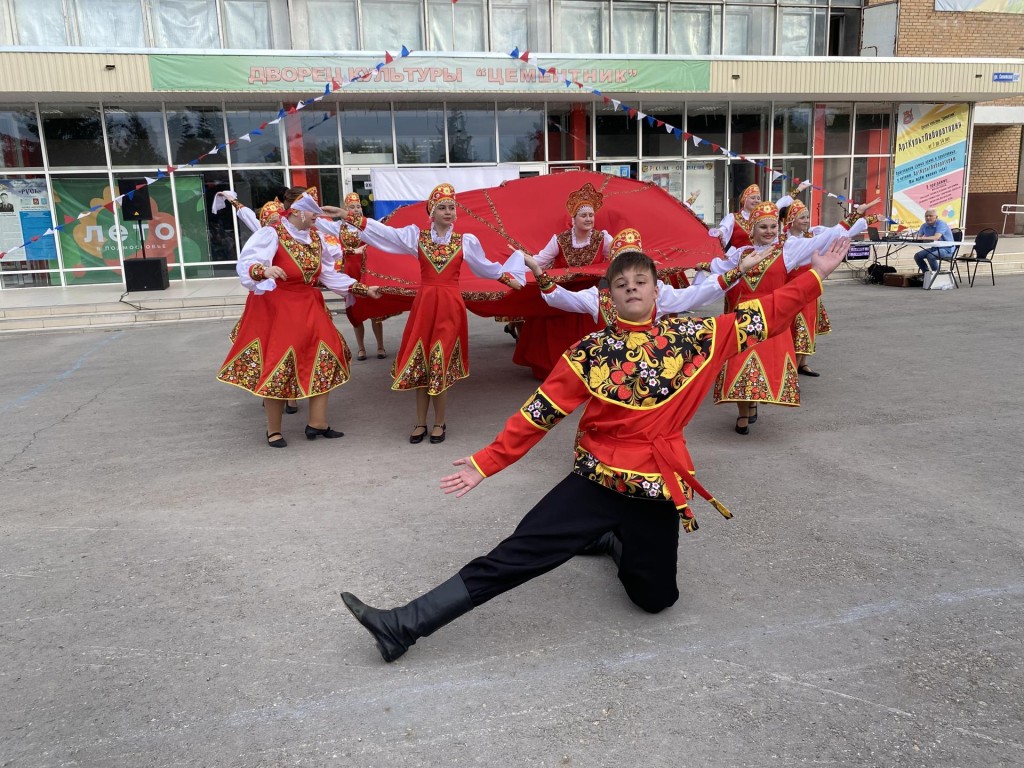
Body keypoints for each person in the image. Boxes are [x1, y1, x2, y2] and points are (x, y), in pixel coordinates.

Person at [339, 238, 853, 663]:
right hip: (596, 481)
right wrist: (486, 462)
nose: (632, 290)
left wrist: (813, 276)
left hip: (656, 488)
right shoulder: (588, 352)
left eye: (642, 282)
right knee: (515, 556)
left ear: (657, 289)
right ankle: (403, 625)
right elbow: (539, 413)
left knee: (656, 600)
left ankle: (614, 542)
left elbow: (770, 313)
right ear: (607, 295)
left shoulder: (697, 336)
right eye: (622, 284)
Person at [341, 182, 525, 444]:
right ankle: (419, 422)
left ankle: (439, 422)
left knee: (440, 363)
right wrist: (349, 217)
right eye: (443, 208)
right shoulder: (417, 237)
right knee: (421, 364)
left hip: (450, 307)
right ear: (432, 212)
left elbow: (486, 267)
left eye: (452, 207)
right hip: (425, 306)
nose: (449, 212)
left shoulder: (466, 241)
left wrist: (507, 278)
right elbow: (384, 234)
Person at [216, 188, 381, 447]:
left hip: (310, 304)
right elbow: (247, 262)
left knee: (327, 355)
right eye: (313, 212)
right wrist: (263, 270)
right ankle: (273, 429)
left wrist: (361, 289)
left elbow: (328, 275)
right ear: (297, 211)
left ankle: (318, 423)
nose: (317, 216)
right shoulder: (272, 233)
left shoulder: (315, 238)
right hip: (280, 307)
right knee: (279, 364)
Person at [705, 200, 872, 434]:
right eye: (763, 227)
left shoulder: (788, 250)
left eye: (773, 226)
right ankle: (744, 411)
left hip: (773, 315)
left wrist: (852, 217)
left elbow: (821, 240)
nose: (769, 231)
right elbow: (718, 271)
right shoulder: (739, 253)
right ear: (752, 229)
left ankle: (753, 404)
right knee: (741, 363)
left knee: (762, 365)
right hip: (744, 317)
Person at [525, 227, 767, 328]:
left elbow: (696, 295)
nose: (631, 286)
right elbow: (561, 298)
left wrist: (738, 271)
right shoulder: (597, 297)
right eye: (622, 271)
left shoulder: (658, 294)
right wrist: (538, 271)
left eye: (639, 276)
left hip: (652, 366)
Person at [511, 182, 614, 379]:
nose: (588, 219)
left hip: (588, 300)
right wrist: (516, 264)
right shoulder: (559, 240)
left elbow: (620, 257)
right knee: (551, 329)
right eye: (583, 215)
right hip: (561, 296)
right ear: (573, 219)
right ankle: (553, 370)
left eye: (591, 215)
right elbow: (539, 260)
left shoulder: (603, 239)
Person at [336, 192, 386, 362]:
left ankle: (380, 346)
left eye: (358, 206)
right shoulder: (339, 228)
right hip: (350, 273)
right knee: (355, 311)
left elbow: (386, 228)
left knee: (374, 310)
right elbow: (331, 250)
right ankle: (361, 348)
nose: (356, 210)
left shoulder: (368, 225)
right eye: (352, 207)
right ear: (345, 209)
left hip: (367, 272)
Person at [716, 180, 811, 251]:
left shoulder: (765, 214)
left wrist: (799, 189)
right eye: (753, 198)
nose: (756, 200)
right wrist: (718, 233)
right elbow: (723, 231)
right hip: (739, 261)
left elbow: (781, 203)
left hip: (763, 258)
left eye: (758, 198)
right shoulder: (733, 218)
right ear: (744, 200)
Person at [912, 209, 954, 274]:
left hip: (947, 249)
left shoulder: (941, 224)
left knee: (931, 256)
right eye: (926, 216)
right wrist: (911, 235)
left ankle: (937, 275)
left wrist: (922, 238)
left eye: (930, 216)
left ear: (936, 217)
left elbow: (936, 237)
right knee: (917, 256)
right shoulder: (924, 225)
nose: (928, 218)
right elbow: (918, 236)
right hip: (934, 248)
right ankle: (926, 274)